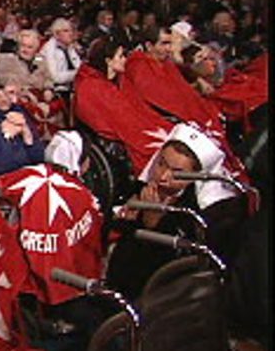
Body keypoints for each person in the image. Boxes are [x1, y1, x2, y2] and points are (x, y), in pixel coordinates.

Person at [105, 123, 247, 300]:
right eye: (161, 164)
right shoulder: (142, 188)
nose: (163, 177)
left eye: (177, 172)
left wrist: (152, 223)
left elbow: (172, 269)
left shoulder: (199, 215)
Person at [73, 37, 174, 174]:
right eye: (120, 56)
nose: (124, 60)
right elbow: (115, 121)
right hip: (116, 138)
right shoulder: (91, 87)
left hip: (136, 127)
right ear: (108, 61)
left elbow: (138, 110)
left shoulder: (120, 81)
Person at [39, 18, 82, 94]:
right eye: (66, 31)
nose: (71, 34)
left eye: (71, 30)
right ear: (57, 34)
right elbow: (55, 77)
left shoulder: (70, 48)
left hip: (74, 87)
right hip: (56, 90)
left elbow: (79, 66)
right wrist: (77, 73)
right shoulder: (49, 49)